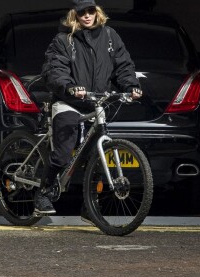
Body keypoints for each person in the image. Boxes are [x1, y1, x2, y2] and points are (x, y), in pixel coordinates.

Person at [35, 0, 142, 219]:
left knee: (97, 156)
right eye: (81, 12)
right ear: (74, 15)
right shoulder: (63, 39)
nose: (87, 15)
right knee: (64, 153)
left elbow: (123, 66)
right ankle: (43, 192)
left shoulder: (110, 36)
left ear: (97, 12)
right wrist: (70, 87)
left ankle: (89, 207)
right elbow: (55, 70)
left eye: (90, 11)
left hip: (96, 102)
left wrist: (131, 86)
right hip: (68, 101)